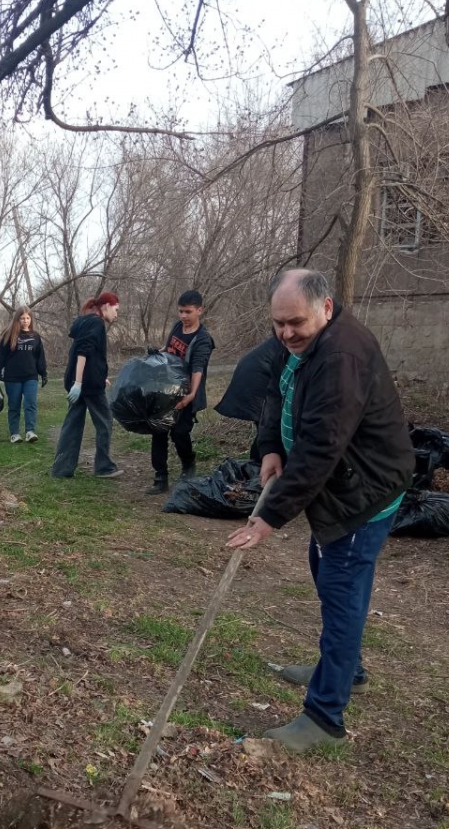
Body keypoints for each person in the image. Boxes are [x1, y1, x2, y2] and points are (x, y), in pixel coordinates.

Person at [226, 269, 414, 755]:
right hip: (342, 484)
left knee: (342, 585)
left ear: (326, 308)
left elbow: (321, 446)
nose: (286, 333)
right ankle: (344, 666)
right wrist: (268, 445)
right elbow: (277, 393)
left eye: (296, 322)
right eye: (278, 323)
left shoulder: (341, 356)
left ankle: (325, 716)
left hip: (363, 490)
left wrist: (270, 517)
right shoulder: (297, 349)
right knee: (325, 567)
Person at [146, 290, 215, 494]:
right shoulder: (177, 327)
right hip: (166, 389)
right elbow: (169, 349)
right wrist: (157, 352)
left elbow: (198, 368)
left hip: (186, 391)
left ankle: (188, 465)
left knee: (179, 432)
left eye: (188, 312)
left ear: (199, 310)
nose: (183, 316)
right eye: (180, 312)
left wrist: (191, 395)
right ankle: (160, 478)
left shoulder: (202, 339)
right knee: (158, 430)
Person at [51, 292, 122, 480]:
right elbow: (83, 352)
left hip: (84, 380)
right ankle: (104, 467)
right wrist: (79, 383)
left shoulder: (84, 321)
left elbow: (89, 355)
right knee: (105, 421)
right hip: (87, 384)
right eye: (116, 310)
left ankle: (62, 469)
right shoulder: (96, 323)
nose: (116, 314)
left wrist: (99, 376)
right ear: (106, 305)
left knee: (73, 423)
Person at [214, 334, 282, 462]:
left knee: (268, 428)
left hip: (256, 373)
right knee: (270, 428)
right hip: (255, 380)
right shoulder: (295, 337)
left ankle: (259, 464)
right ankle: (257, 466)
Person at [0, 307, 48, 442]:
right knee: (14, 405)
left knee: (30, 403)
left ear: (31, 319)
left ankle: (30, 431)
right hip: (12, 378)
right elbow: (1, 356)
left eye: (28, 318)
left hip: (30, 376)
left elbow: (40, 357)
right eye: (22, 318)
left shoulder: (35, 336)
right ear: (17, 319)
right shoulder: (9, 335)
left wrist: (43, 373)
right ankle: (15, 434)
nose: (25, 321)